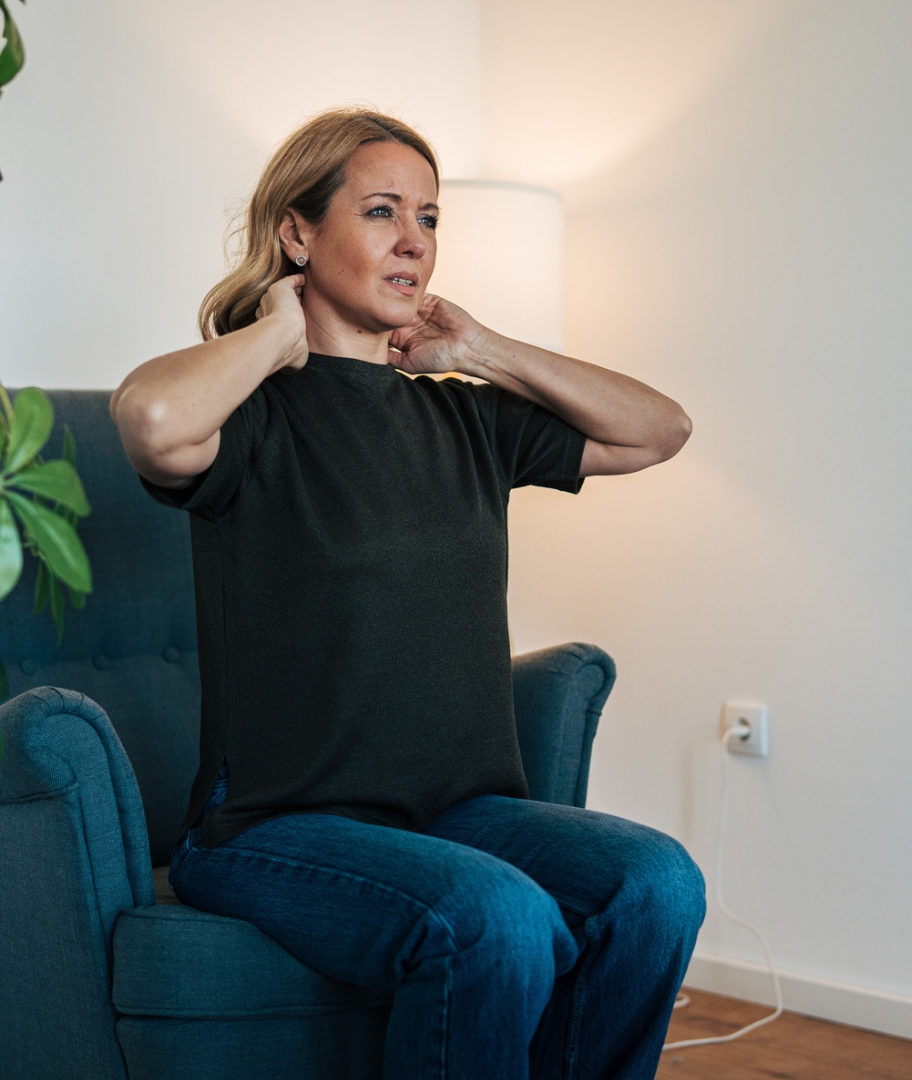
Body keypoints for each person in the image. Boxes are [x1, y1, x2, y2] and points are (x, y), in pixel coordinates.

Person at [111, 108, 702, 1080]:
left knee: (658, 884)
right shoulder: (253, 417)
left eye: (428, 218)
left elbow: (659, 429)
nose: (414, 241)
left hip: (458, 814)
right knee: (496, 915)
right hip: (275, 829)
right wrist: (279, 332)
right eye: (382, 211)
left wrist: (484, 349)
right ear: (298, 232)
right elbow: (149, 418)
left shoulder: (467, 420)